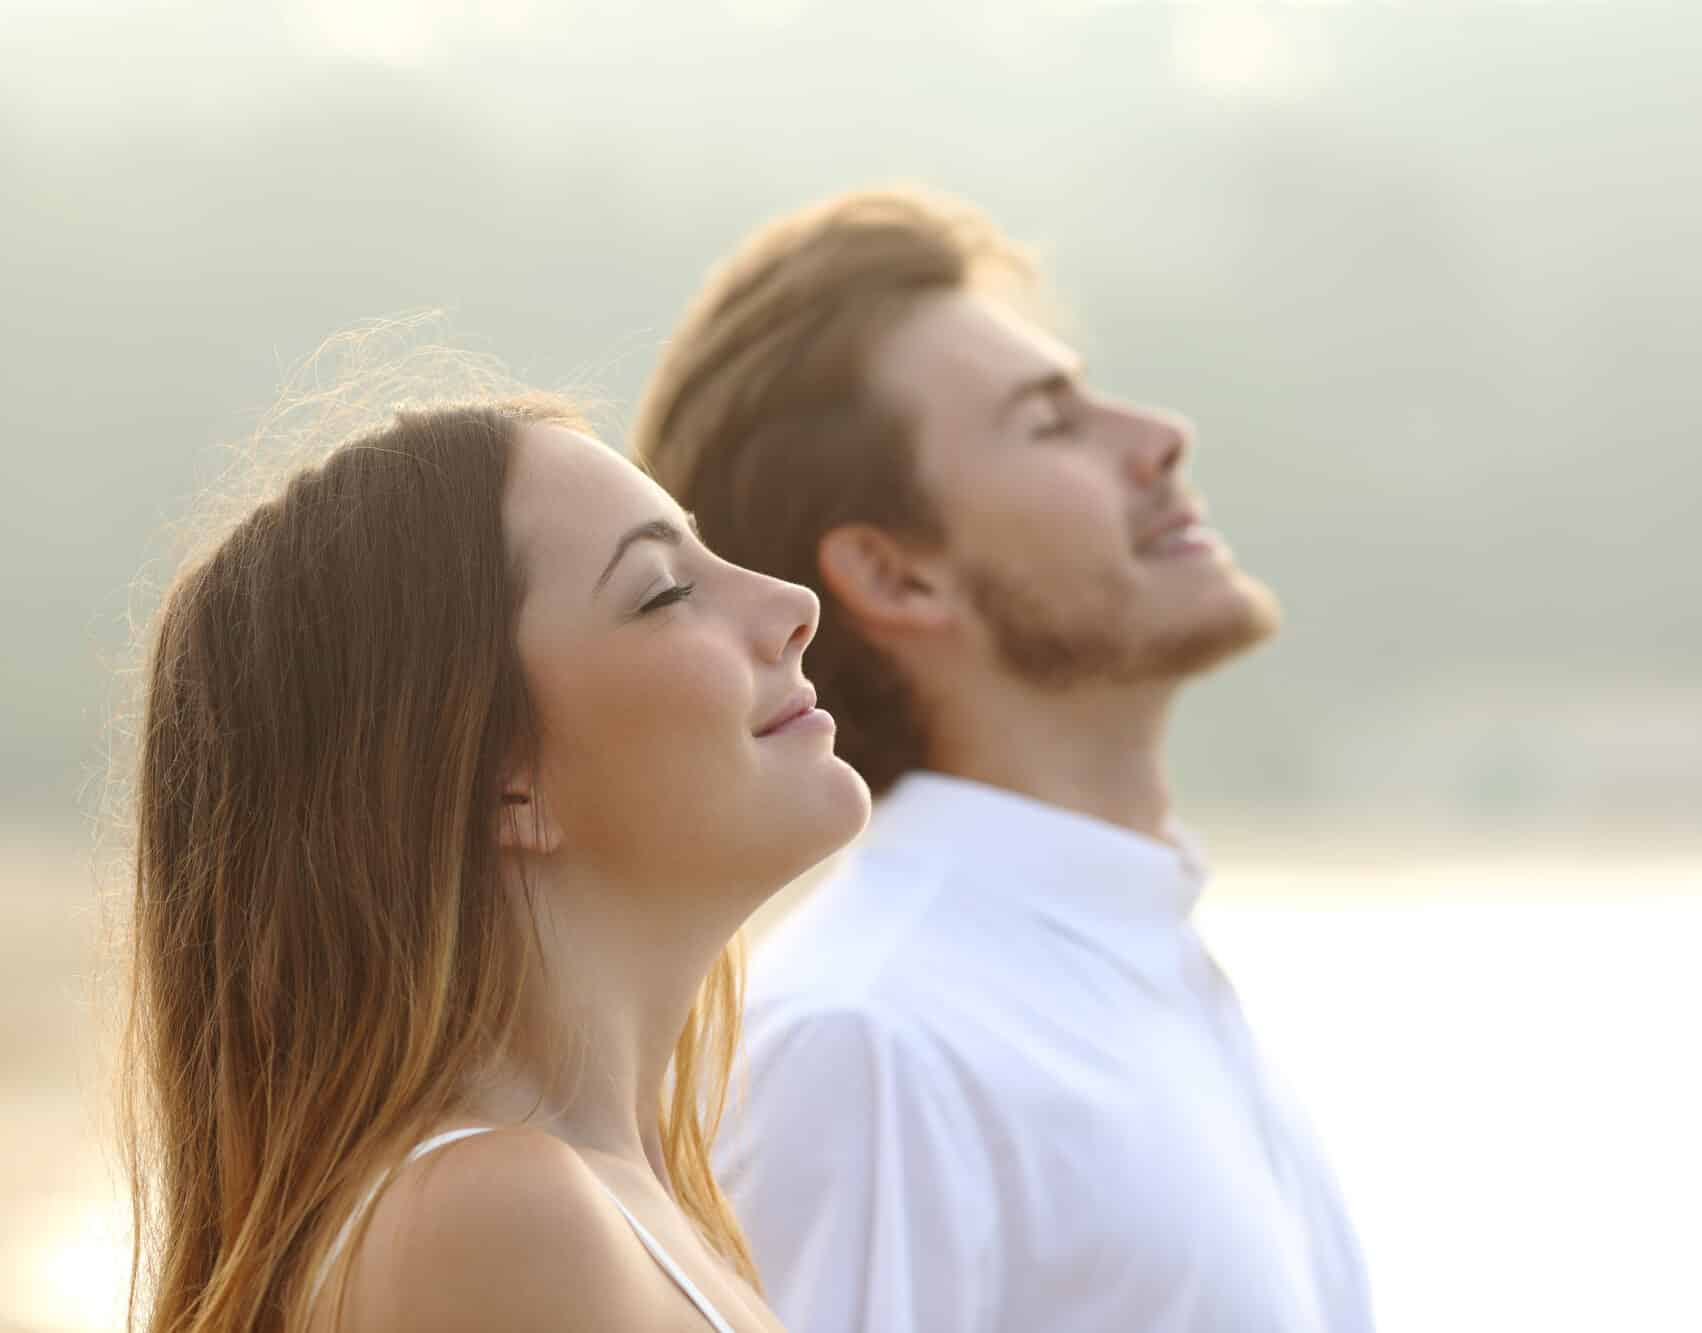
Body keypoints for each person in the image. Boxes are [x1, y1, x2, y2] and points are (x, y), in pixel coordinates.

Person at [633, 188, 1373, 1332]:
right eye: (1049, 421)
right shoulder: (871, 1041)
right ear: (895, 576)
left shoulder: (1130, 963)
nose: (1159, 435)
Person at [119, 389, 869, 1333]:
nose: (793, 604)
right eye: (666, 590)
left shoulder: (629, 1207)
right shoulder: (493, 1219)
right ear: (500, 782)